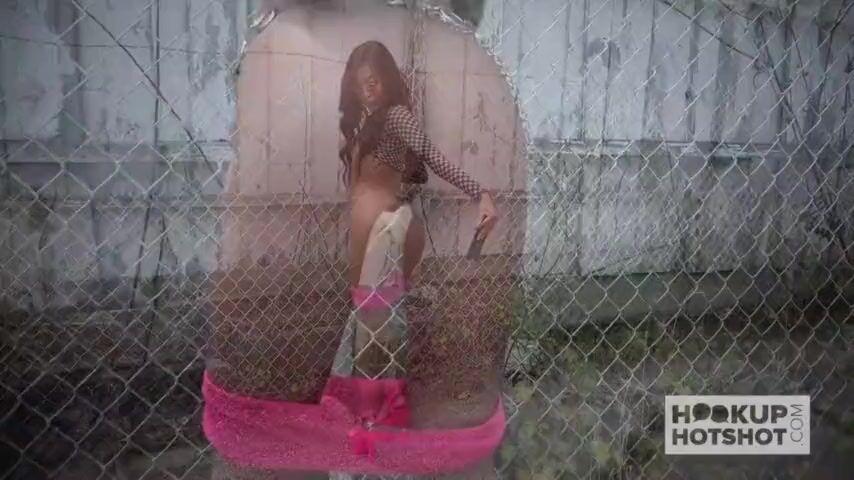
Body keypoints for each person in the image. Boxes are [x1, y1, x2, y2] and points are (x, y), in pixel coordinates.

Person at [338, 40, 498, 380]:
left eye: (374, 81)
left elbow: (431, 155)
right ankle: (369, 396)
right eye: (359, 85)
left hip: (386, 230)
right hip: (369, 228)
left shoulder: (396, 116)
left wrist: (480, 193)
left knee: (376, 322)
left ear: (387, 78)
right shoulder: (366, 121)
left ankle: (379, 399)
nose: (367, 91)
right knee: (368, 320)